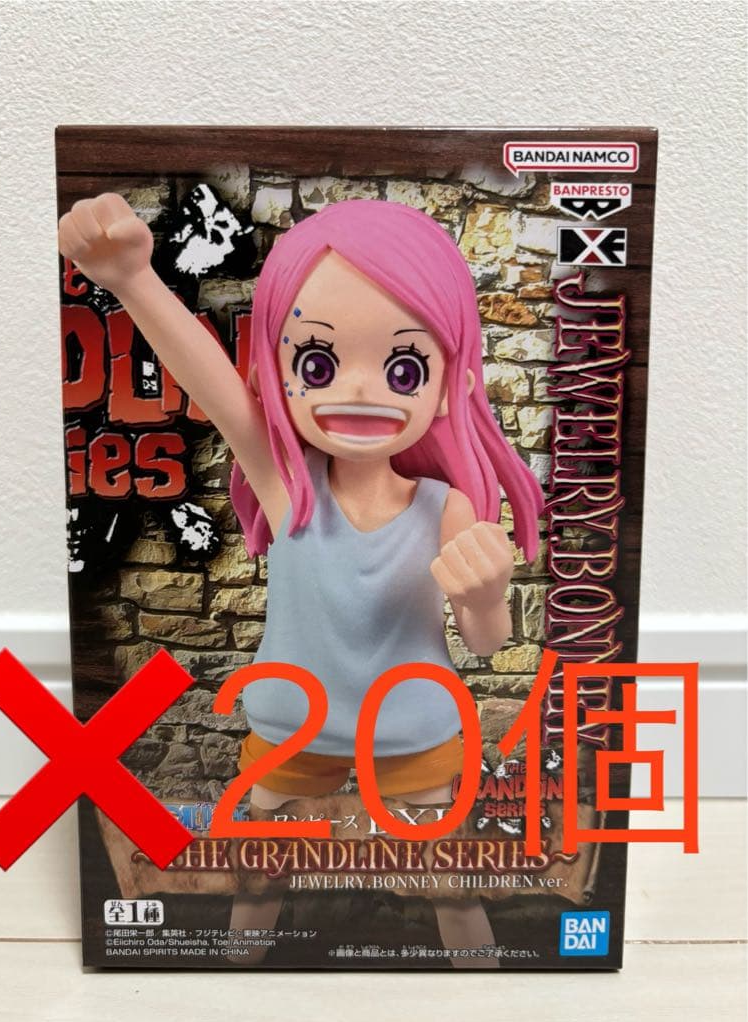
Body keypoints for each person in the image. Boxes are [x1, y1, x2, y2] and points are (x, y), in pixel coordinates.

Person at [58, 193, 543, 967]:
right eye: (317, 363)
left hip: (411, 728)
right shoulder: (289, 487)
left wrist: (485, 596)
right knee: (260, 879)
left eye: (403, 366)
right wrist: (131, 278)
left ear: (450, 376)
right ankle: (235, 976)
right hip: (293, 725)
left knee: (451, 886)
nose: (359, 391)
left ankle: (484, 988)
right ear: (279, 371)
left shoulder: (444, 507)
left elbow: (484, 643)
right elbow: (211, 385)